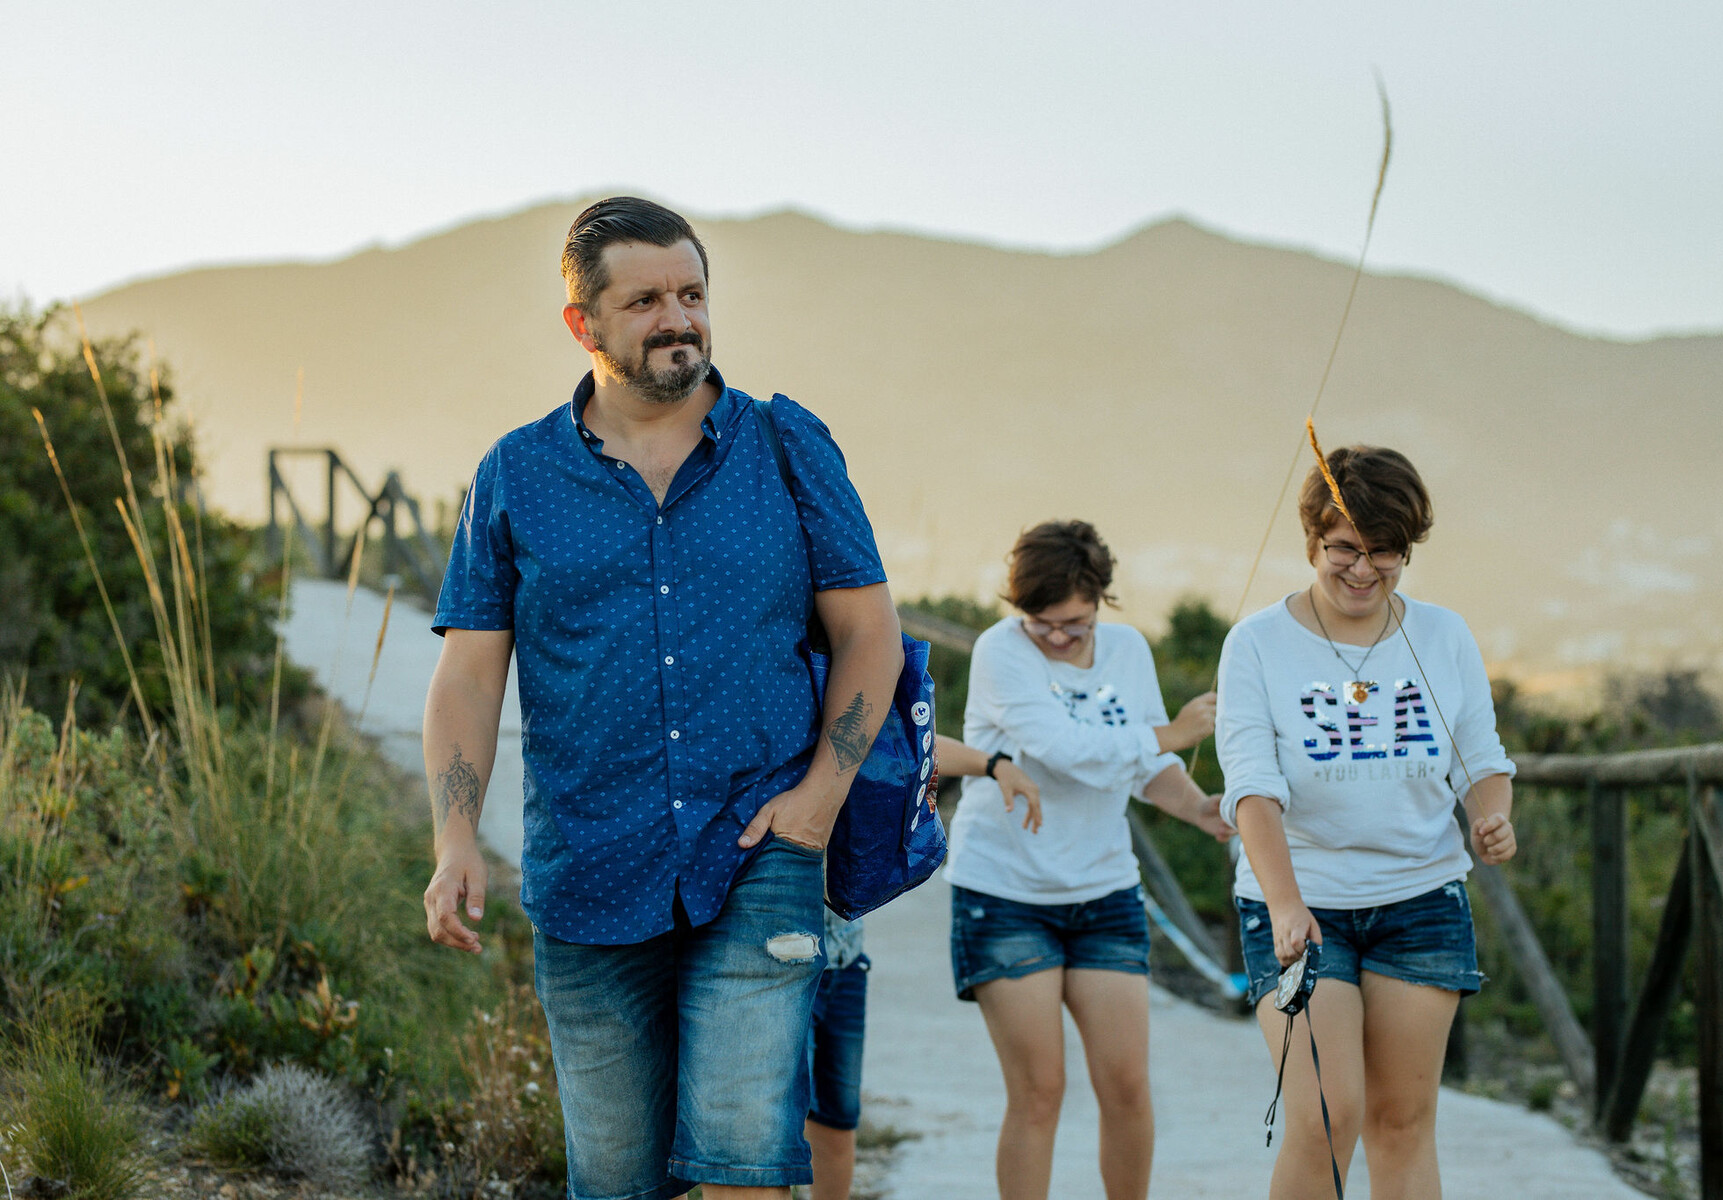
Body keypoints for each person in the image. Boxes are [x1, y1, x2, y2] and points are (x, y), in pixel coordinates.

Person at [421, 196, 903, 1200]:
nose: (679, 318)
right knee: (615, 1180)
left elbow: (869, 633)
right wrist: (455, 838)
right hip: (590, 868)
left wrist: (818, 798)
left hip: (759, 847)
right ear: (582, 324)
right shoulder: (516, 474)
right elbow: (469, 673)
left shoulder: (785, 447)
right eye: (645, 300)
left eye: (692, 293)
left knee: (741, 1159)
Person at [1216, 444, 1517, 1199]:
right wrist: (1285, 904)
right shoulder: (1256, 642)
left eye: (1384, 553)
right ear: (1313, 542)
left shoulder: (1444, 635)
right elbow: (1252, 787)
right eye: (1345, 549)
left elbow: (1480, 758)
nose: (1362, 570)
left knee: (1401, 1122)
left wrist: (1492, 817)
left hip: (1421, 902)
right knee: (1325, 1116)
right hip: (1300, 902)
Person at [945, 520, 1229, 1200]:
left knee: (1127, 1085)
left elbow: (1141, 764)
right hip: (1005, 893)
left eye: (1073, 623)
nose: (1058, 638)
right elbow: (1068, 749)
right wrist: (1174, 731)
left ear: (1102, 598)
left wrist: (1198, 808)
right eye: (1042, 623)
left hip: (1104, 893)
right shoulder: (1001, 651)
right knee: (1041, 1090)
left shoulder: (1127, 651)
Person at [803, 736, 1038, 1200]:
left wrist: (993, 764)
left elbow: (911, 738)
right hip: (782, 956)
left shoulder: (853, 683)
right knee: (775, 1130)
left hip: (846, 956)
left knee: (837, 1120)